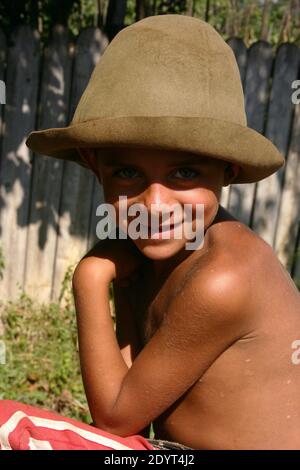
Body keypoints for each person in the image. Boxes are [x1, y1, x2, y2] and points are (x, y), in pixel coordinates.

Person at [4, 13, 299, 450]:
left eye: (184, 172)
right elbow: (126, 411)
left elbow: (115, 416)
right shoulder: (146, 252)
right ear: (93, 163)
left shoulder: (226, 276)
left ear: (229, 171)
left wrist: (88, 278)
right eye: (127, 172)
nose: (155, 205)